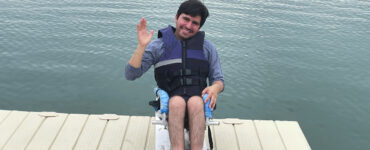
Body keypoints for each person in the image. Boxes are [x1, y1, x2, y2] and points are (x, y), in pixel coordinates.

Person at [125, 0, 224, 149]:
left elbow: (218, 80)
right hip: (170, 98)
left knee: (196, 103)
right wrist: (141, 47)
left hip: (197, 98)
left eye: (195, 23)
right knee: (177, 102)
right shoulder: (158, 46)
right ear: (176, 17)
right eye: (186, 19)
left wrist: (215, 88)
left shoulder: (207, 48)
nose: (189, 26)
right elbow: (130, 74)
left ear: (200, 26)